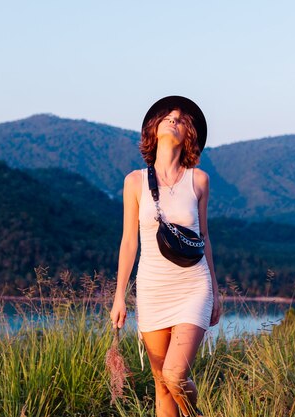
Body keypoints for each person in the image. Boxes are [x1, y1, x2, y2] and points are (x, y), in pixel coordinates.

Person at [110, 96, 221, 417]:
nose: (174, 120)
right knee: (161, 384)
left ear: (190, 135)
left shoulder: (198, 180)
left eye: (182, 119)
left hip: (193, 286)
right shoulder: (134, 182)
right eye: (168, 116)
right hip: (152, 290)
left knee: (175, 374)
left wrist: (215, 290)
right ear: (154, 128)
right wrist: (120, 296)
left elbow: (205, 237)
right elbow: (129, 241)